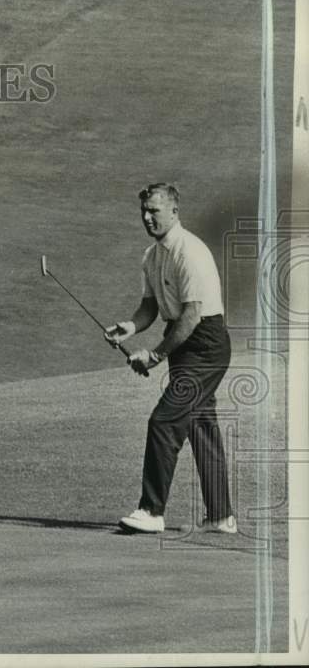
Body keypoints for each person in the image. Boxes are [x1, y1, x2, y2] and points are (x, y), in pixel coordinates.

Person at [104, 183, 236, 534]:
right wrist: (130, 327)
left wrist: (156, 356)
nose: (148, 218)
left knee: (164, 421)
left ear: (174, 212)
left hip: (205, 343)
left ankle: (151, 511)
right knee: (199, 424)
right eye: (144, 211)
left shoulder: (189, 251)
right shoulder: (152, 255)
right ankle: (221, 516)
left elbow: (192, 316)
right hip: (186, 342)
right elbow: (151, 306)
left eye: (155, 211)